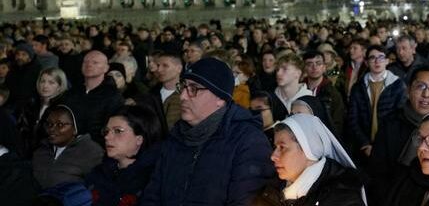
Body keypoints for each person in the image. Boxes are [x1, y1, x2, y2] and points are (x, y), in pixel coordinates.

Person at [140, 57, 275, 205]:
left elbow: (245, 201)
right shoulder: (177, 136)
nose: (183, 96)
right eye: (183, 87)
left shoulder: (249, 142)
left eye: (194, 89)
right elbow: (152, 195)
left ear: (220, 98)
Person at [368, 66, 429, 204]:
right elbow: (377, 169)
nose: (426, 94)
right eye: (420, 86)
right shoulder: (391, 122)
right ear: (408, 90)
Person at [254, 113, 366, 206]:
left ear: (309, 149)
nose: (273, 156)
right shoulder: (272, 191)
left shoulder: (342, 199)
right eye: (275, 147)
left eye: (282, 147)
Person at [86, 105, 163, 206]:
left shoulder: (154, 179)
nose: (107, 137)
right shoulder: (98, 173)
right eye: (106, 131)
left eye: (118, 131)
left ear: (139, 139)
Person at [346, 45, 407, 160]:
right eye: (372, 58)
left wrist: (386, 143)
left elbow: (400, 118)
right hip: (364, 145)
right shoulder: (358, 87)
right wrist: (364, 143)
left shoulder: (398, 85)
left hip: (389, 145)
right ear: (366, 62)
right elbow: (352, 118)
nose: (377, 61)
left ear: (387, 61)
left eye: (381, 57)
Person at [32, 104, 104, 189]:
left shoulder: (92, 152)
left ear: (75, 128)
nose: (52, 129)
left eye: (60, 125)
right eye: (49, 124)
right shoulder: (41, 150)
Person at [62, 51, 124, 146]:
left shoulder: (113, 96)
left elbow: (112, 130)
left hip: (95, 149)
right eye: (85, 62)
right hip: (65, 144)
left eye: (95, 62)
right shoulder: (72, 92)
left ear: (106, 68)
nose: (89, 65)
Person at [302, 50, 345, 134]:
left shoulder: (333, 93)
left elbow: (338, 123)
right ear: (304, 68)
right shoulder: (299, 90)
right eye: (309, 64)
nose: (314, 67)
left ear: (324, 67)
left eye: (318, 63)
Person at [270, 54, 314, 122]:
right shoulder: (271, 98)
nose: (278, 73)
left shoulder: (309, 99)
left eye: (285, 69)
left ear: (298, 73)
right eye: (277, 69)